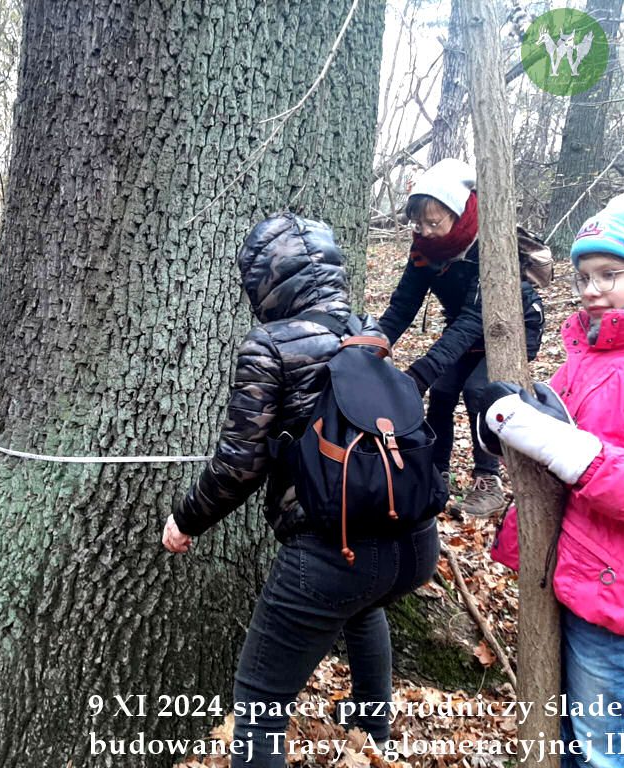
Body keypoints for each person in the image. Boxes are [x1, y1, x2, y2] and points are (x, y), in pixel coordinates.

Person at [162, 214, 439, 767]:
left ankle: (368, 738)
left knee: (259, 697)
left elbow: (240, 465)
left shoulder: (269, 344)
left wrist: (185, 519)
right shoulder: (369, 334)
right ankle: (374, 739)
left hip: (333, 552)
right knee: (363, 610)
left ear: (263, 281)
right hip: (415, 542)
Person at [481, 171, 624, 768]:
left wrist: (564, 447)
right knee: (561, 740)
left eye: (612, 274)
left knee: (602, 751)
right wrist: (507, 425)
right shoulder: (594, 350)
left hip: (617, 594)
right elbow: (549, 425)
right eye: (585, 276)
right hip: (568, 573)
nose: (591, 289)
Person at [378, 159, 544, 517]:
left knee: (479, 390)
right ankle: (434, 472)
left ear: (456, 212)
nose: (424, 230)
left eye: (433, 222)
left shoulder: (489, 243)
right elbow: (404, 305)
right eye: (418, 223)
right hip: (464, 330)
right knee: (440, 390)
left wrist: (421, 370)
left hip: (514, 328)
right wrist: (371, 343)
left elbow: (474, 317)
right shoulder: (424, 249)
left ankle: (489, 480)